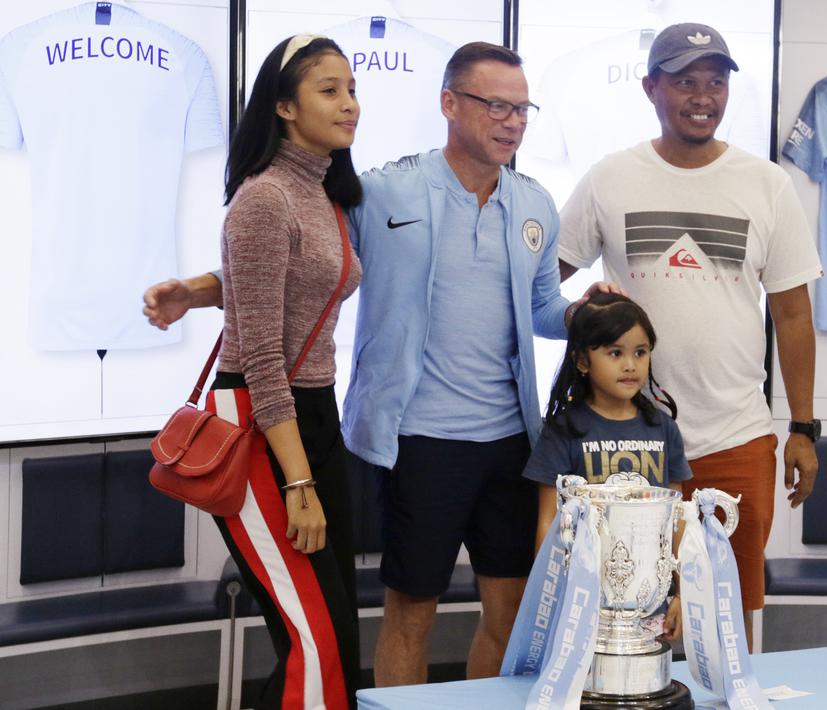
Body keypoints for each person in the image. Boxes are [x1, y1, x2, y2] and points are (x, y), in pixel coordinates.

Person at [143, 42, 617, 686]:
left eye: (522, 109)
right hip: (418, 440)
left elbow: (539, 307)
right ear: (449, 104)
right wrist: (197, 290)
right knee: (408, 618)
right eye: (496, 105)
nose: (512, 121)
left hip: (511, 441)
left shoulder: (534, 204)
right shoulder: (383, 190)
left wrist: (578, 314)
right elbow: (302, 272)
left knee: (510, 616)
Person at [556, 23, 824, 647]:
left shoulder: (767, 185)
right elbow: (545, 284)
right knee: (625, 617)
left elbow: (792, 314)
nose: (702, 95)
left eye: (715, 81)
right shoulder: (609, 177)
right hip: (627, 439)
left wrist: (804, 429)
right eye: (684, 81)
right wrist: (579, 316)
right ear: (651, 88)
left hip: (736, 434)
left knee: (728, 620)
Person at [210, 35, 362, 709]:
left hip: (315, 412)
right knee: (315, 639)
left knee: (333, 637)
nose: (349, 104)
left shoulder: (323, 192)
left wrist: (196, 287)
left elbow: (269, 281)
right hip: (263, 419)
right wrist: (297, 481)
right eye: (328, 90)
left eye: (351, 89)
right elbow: (264, 357)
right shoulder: (265, 196)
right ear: (283, 106)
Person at [522, 292, 691, 639]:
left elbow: (678, 522)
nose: (630, 365)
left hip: (648, 595)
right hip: (579, 597)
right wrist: (549, 593)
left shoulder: (664, 429)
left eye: (640, 353)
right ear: (583, 361)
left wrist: (684, 591)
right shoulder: (563, 431)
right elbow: (547, 521)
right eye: (615, 353)